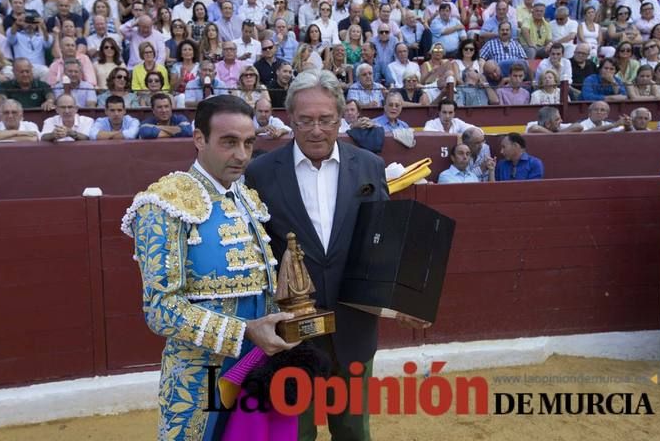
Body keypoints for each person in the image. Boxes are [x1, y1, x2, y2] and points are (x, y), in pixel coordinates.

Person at [246, 69, 429, 441]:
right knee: (295, 434)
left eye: (326, 120)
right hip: (290, 335)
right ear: (290, 120)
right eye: (306, 121)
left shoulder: (369, 165)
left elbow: (380, 241)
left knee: (353, 433)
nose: (316, 130)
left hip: (353, 326)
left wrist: (402, 299)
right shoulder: (259, 173)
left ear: (342, 116)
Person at [121, 93, 297, 440]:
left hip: (256, 364)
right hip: (198, 375)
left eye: (248, 143)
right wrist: (244, 332)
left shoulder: (247, 198)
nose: (242, 155)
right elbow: (161, 309)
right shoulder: (164, 202)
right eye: (229, 142)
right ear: (199, 139)